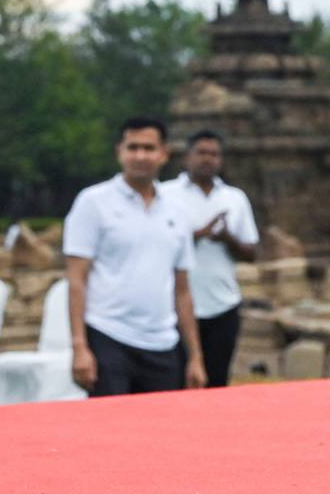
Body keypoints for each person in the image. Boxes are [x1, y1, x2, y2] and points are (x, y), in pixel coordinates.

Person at [65, 117, 208, 397]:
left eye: (148, 148)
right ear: (119, 151)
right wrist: (79, 347)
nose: (140, 156)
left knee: (159, 434)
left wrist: (195, 357)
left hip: (163, 342)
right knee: (111, 433)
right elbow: (76, 280)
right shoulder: (93, 203)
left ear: (163, 154)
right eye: (133, 148)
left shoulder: (176, 212)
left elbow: (182, 291)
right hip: (108, 335)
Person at [162, 130, 258, 388]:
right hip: (173, 305)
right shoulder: (165, 195)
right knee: (175, 381)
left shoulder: (234, 198)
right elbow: (154, 246)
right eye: (201, 153)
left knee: (216, 382)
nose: (208, 159)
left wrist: (227, 238)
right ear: (187, 157)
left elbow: (251, 253)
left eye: (214, 154)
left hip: (222, 304)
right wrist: (195, 235)